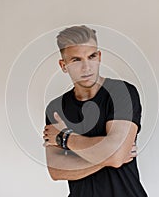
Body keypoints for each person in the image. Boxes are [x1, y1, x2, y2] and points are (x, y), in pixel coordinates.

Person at [43, 25, 148, 197]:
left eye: (91, 56)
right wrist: (109, 158)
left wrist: (64, 137)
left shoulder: (122, 93)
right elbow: (56, 170)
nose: (87, 68)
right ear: (63, 65)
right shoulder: (56, 108)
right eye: (76, 60)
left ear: (99, 57)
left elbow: (116, 154)